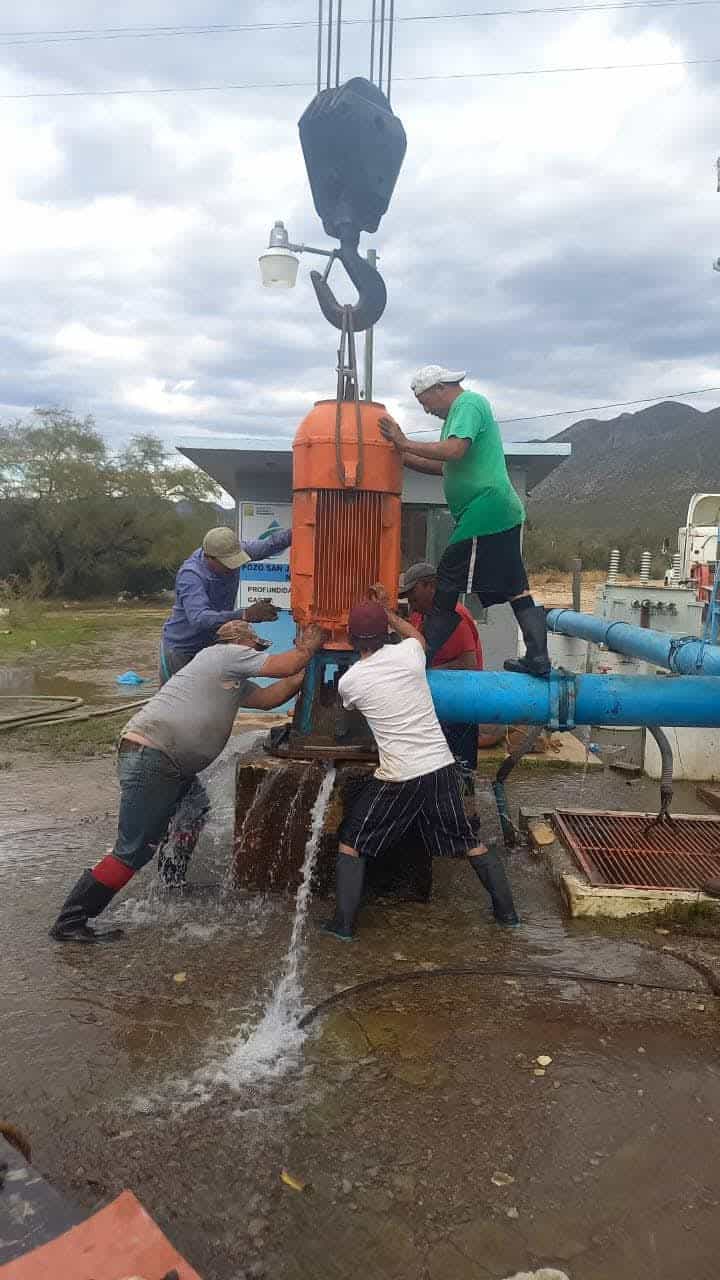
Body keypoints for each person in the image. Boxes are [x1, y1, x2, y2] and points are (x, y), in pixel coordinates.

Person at [49, 621, 325, 943]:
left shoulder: (229, 677)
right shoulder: (225, 654)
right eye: (255, 645)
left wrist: (303, 674)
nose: (256, 652)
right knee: (132, 850)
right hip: (154, 758)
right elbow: (284, 665)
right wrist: (309, 648)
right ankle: (71, 921)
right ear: (240, 641)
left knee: (194, 810)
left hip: (168, 763)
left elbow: (268, 698)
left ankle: (171, 881)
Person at [321, 595, 518, 942]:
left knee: (351, 841)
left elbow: (349, 710)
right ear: (385, 632)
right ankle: (508, 915)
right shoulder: (409, 654)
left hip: (400, 776)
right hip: (440, 765)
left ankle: (343, 926)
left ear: (351, 639)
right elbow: (417, 637)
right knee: (468, 840)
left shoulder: (350, 681)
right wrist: (390, 614)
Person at [379, 367, 550, 677]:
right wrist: (399, 456)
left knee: (447, 578)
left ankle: (424, 653)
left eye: (425, 402)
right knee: (516, 587)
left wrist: (404, 443)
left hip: (484, 510)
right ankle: (538, 657)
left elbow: (454, 451)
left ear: (440, 388)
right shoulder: (457, 418)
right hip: (501, 511)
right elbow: (443, 466)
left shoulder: (468, 404)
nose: (427, 410)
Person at [159, 524, 292, 685]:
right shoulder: (191, 575)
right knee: (178, 698)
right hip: (182, 650)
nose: (233, 567)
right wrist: (245, 614)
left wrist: (299, 531)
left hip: (211, 645)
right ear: (209, 558)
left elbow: (271, 544)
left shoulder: (232, 550)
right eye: (227, 563)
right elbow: (200, 618)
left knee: (210, 695)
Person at [399, 560, 482, 773]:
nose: (410, 601)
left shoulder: (456, 616)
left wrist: (426, 674)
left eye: (413, 593)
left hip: (460, 704)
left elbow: (469, 664)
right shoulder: (419, 615)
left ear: (430, 586)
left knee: (459, 771)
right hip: (434, 704)